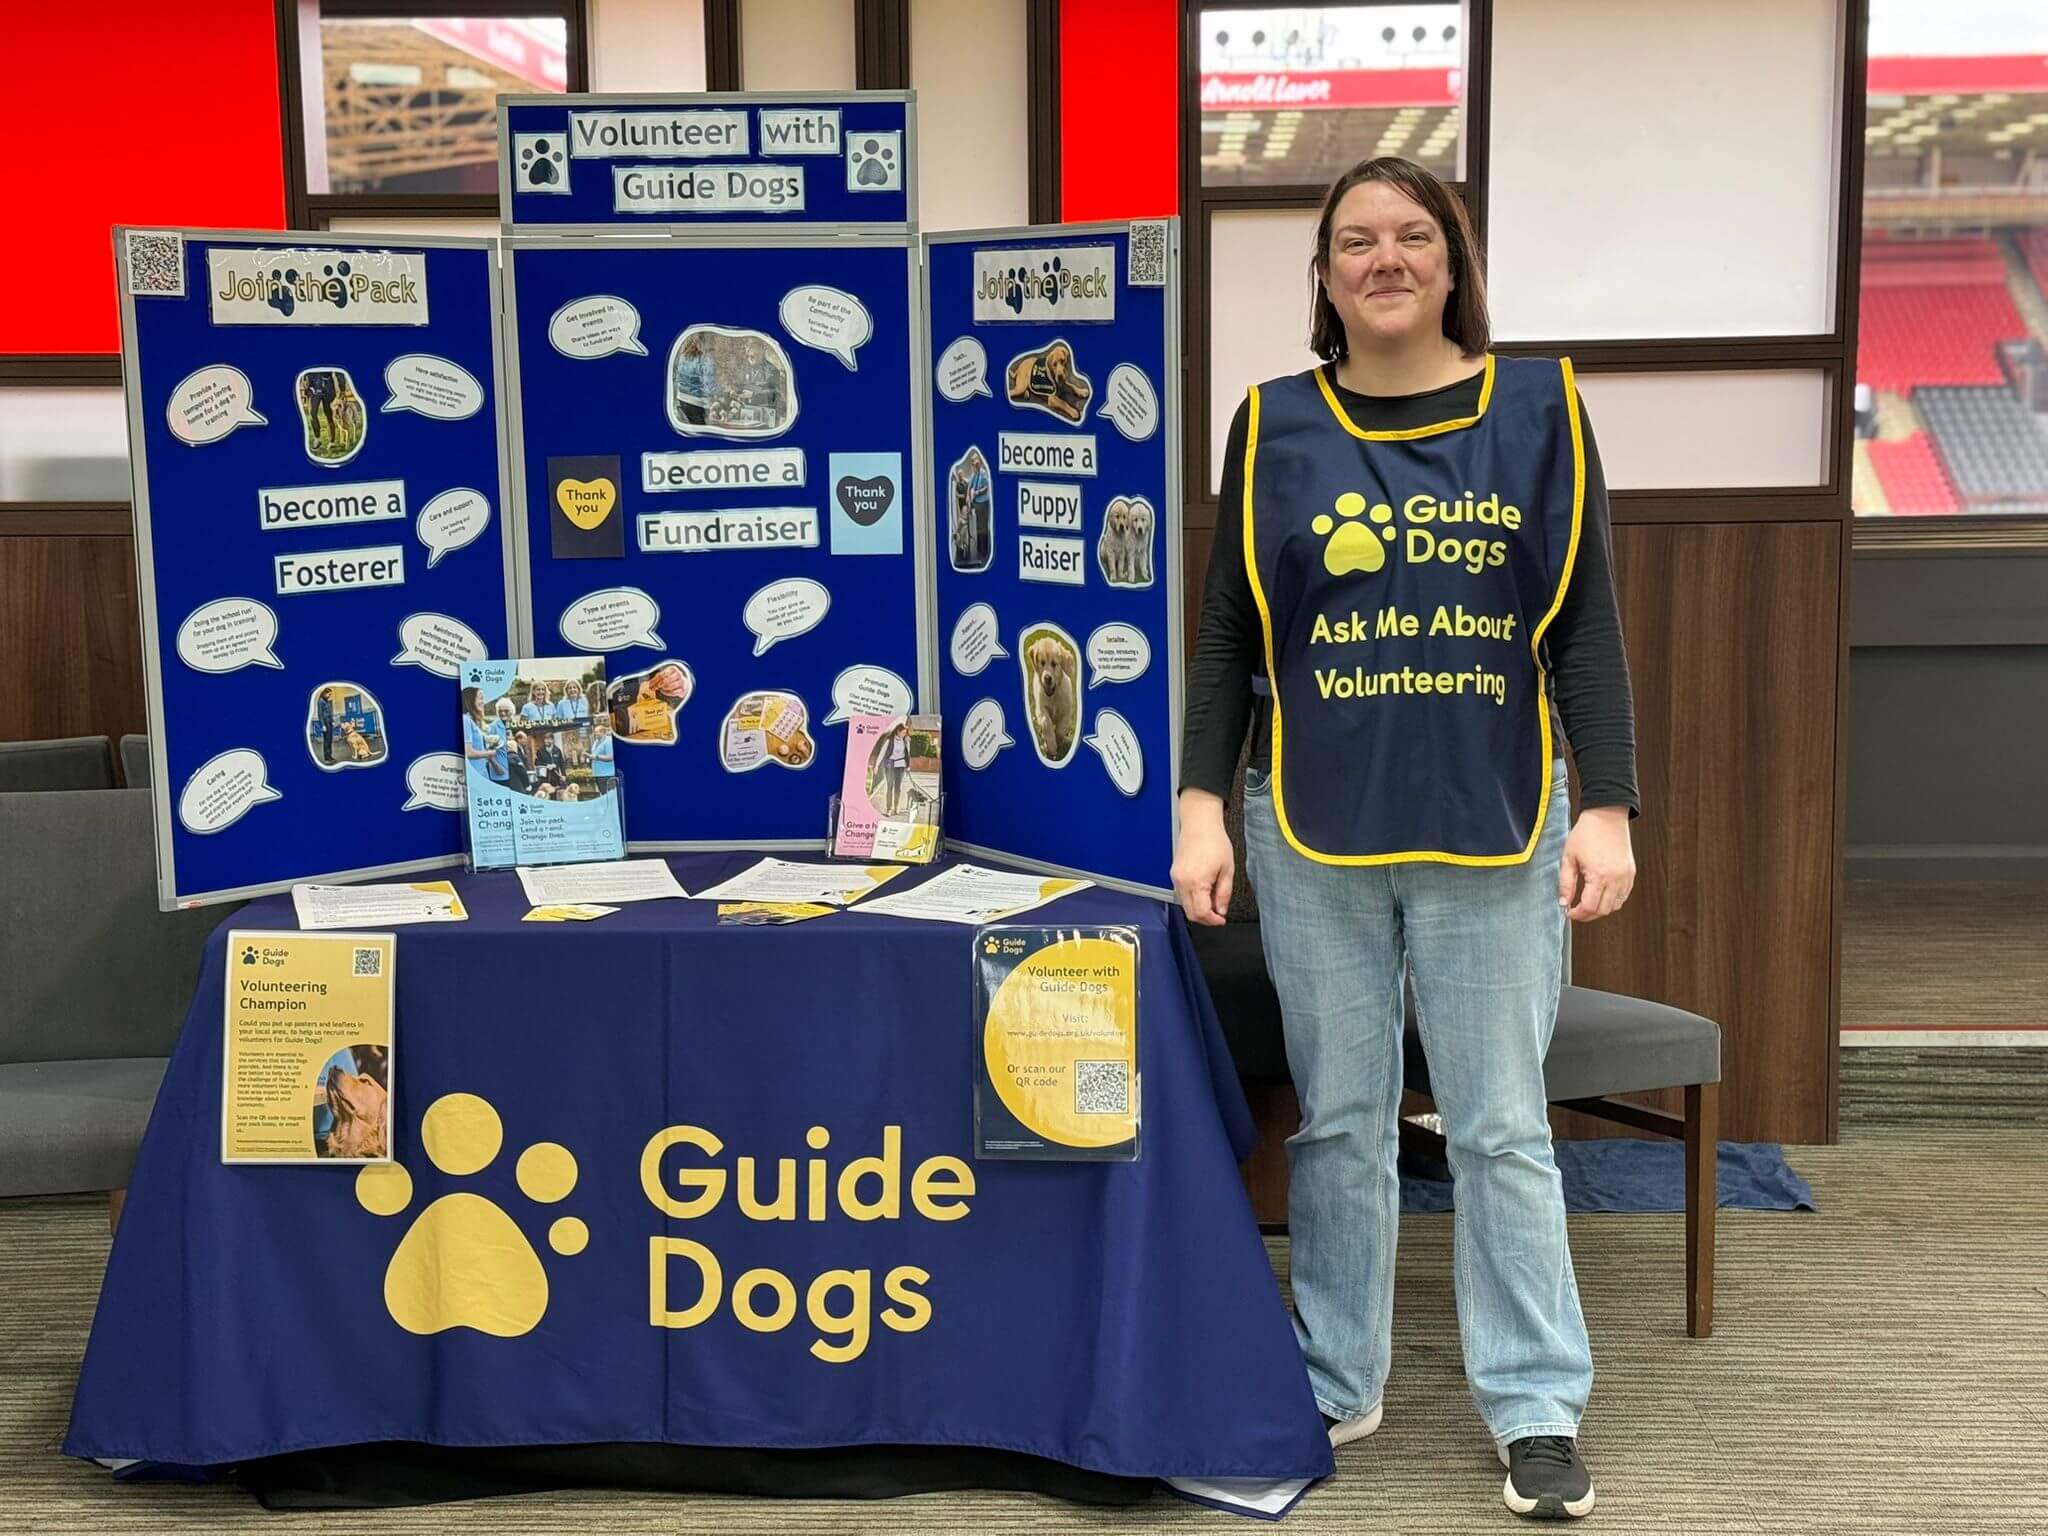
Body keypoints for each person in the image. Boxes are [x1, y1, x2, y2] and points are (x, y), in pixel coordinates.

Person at [1171, 157, 1639, 1523]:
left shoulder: (1539, 407)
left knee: (1499, 1126)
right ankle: (1335, 1378)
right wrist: (1203, 803)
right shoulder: (1269, 426)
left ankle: (1537, 1402)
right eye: (1356, 240)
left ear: (1455, 260)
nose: (1386, 258)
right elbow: (1223, 634)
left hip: (1493, 814)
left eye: (1413, 236)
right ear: (1321, 274)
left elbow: (1587, 623)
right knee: (1340, 1122)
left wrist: (1603, 801)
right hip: (1312, 817)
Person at [460, 686, 508, 784]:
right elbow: (468, 753)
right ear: (470, 699)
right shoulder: (465, 720)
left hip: (482, 773)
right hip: (475, 775)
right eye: (480, 698)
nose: (483, 702)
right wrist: (490, 753)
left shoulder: (470, 719)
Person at [673, 333, 711, 426]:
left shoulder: (683, 356)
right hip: (696, 402)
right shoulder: (703, 359)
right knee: (701, 431)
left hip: (682, 399)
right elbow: (708, 384)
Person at [315, 687, 339, 764]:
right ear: (325, 693)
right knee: (326, 741)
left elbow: (329, 712)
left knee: (330, 740)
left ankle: (330, 756)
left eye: (330, 694)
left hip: (329, 723)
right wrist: (323, 725)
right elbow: (320, 714)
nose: (329, 696)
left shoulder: (327, 701)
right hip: (325, 723)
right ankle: (326, 758)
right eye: (329, 694)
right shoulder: (320, 701)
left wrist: (332, 721)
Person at [590, 718, 616, 785]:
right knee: (603, 794)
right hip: (598, 774)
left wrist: (596, 756)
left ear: (603, 732)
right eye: (594, 732)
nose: (595, 734)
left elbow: (610, 757)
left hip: (607, 775)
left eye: (596, 732)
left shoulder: (608, 741)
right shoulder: (596, 742)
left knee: (609, 794)